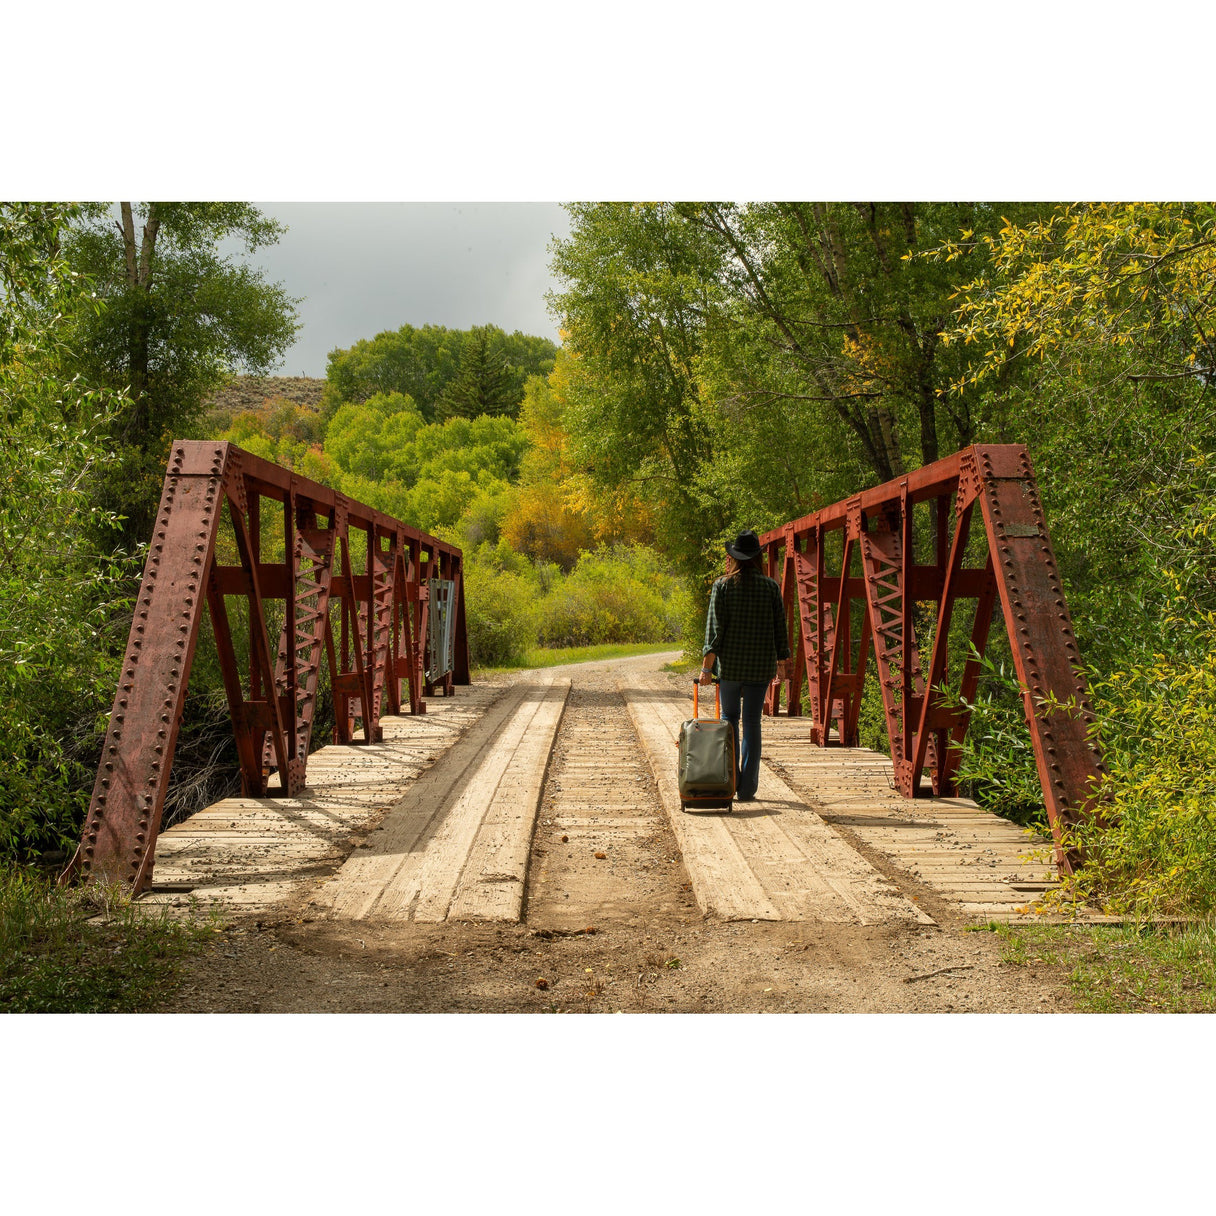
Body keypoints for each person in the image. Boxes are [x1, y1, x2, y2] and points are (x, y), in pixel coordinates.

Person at [698, 529, 791, 802]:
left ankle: (731, 779)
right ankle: (748, 788)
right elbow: (779, 630)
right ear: (758, 558)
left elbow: (715, 631)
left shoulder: (723, 586)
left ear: (734, 557)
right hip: (760, 668)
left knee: (729, 720)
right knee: (752, 722)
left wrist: (706, 668)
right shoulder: (771, 587)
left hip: (731, 668)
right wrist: (782, 663)